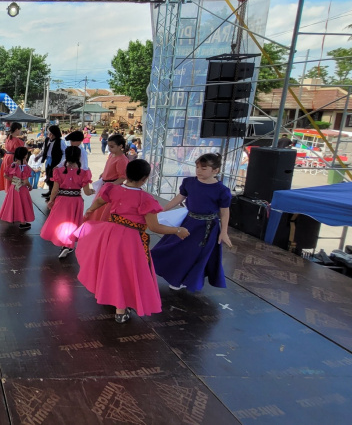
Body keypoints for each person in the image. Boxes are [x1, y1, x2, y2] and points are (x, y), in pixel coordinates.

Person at [72, 159, 189, 323]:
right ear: (145, 178)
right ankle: (121, 310)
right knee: (128, 272)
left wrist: (91, 209)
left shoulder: (113, 189)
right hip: (131, 240)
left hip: (110, 234)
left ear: (126, 174)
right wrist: (177, 230)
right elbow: (154, 227)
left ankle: (113, 300)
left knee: (112, 268)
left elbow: (100, 200)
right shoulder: (145, 199)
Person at [152, 153, 233, 292]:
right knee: (176, 248)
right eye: (197, 167)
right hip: (189, 223)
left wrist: (224, 232)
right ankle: (172, 274)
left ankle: (185, 280)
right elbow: (179, 198)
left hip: (207, 228)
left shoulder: (222, 190)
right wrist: (162, 209)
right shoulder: (189, 182)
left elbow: (224, 212)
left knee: (195, 254)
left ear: (215, 170)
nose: (199, 171)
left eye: (204, 168)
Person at [41, 147, 95, 259]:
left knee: (61, 221)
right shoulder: (84, 172)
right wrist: (92, 191)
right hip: (76, 200)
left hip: (62, 199)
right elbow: (87, 192)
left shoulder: (58, 171)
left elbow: (55, 189)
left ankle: (64, 244)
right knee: (72, 222)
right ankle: (68, 244)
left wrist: (51, 200)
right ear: (79, 157)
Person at [85, 134, 129, 223]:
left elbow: (122, 177)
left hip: (111, 189)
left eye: (112, 146)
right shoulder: (112, 155)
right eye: (108, 146)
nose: (109, 148)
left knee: (103, 210)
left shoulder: (122, 160)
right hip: (105, 185)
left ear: (120, 146)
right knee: (98, 208)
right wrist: (103, 174)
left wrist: (111, 185)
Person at [0, 147, 33, 230]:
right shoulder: (26, 167)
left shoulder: (13, 165)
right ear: (25, 155)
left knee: (13, 203)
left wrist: (14, 180)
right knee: (23, 204)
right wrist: (30, 186)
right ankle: (23, 222)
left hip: (13, 187)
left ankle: (11, 217)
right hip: (22, 189)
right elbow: (25, 181)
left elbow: (5, 175)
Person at [0, 123, 25, 192]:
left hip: (7, 157)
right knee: (13, 174)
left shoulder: (8, 137)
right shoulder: (16, 140)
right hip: (13, 158)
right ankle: (12, 191)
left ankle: (8, 190)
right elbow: (19, 150)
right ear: (16, 129)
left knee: (7, 174)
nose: (20, 131)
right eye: (20, 129)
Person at [40, 125, 65, 198]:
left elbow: (64, 153)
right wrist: (39, 156)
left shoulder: (60, 142)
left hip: (56, 161)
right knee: (48, 176)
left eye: (51, 134)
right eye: (49, 134)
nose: (50, 135)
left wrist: (61, 163)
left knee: (54, 177)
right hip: (48, 160)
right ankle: (50, 191)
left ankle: (54, 193)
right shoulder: (47, 140)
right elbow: (43, 149)